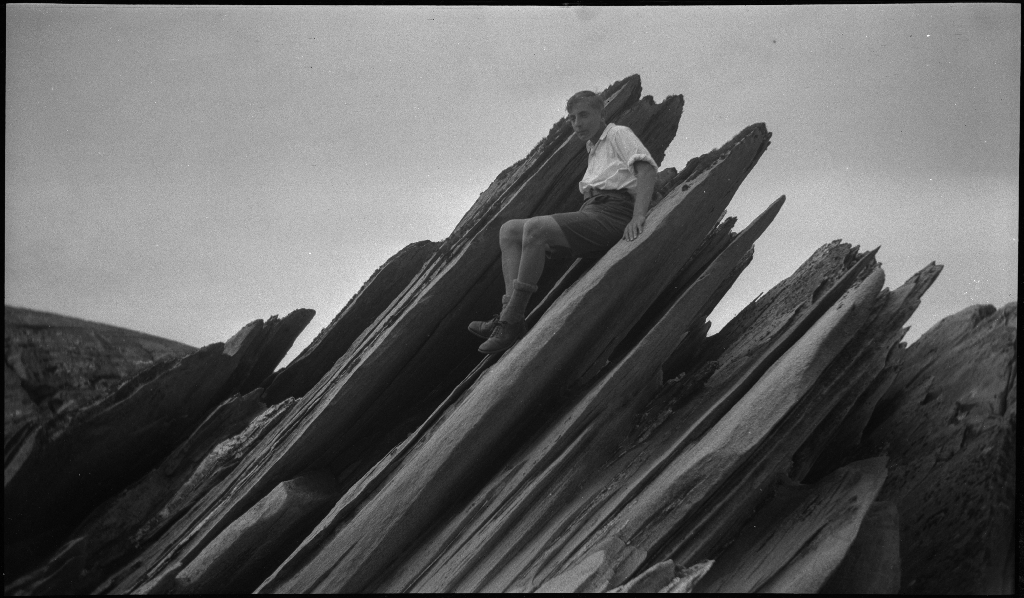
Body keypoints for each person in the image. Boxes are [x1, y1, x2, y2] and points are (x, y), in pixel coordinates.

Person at [471, 90, 659, 354]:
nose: (577, 123)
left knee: (536, 228)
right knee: (509, 230)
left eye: (583, 115)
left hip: (614, 214)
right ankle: (507, 313)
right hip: (592, 211)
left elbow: (646, 169)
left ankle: (511, 320)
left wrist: (639, 215)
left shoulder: (618, 133)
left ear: (601, 114)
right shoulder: (593, 148)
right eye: (571, 119)